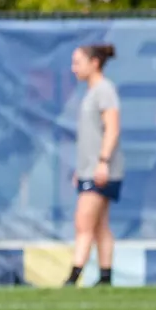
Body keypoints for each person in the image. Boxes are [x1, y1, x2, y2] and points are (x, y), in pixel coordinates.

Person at [66, 43, 122, 287]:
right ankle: (105, 277)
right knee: (100, 225)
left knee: (83, 222)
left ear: (94, 63)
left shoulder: (104, 90)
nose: (73, 68)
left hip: (102, 169)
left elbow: (112, 127)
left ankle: (73, 277)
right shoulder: (91, 92)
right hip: (90, 169)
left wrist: (102, 162)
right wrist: (81, 169)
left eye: (78, 62)